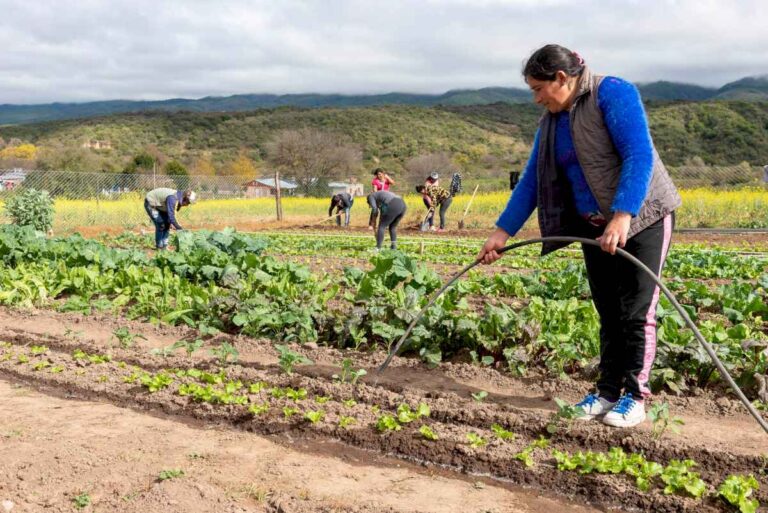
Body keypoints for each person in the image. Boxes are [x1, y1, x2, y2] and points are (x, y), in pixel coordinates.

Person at [477, 44, 680, 429]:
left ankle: (636, 397)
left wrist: (622, 216)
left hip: (644, 217)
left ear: (561, 78)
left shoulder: (613, 92)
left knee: (637, 311)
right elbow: (531, 183)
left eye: (539, 89)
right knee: (608, 311)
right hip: (595, 227)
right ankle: (606, 393)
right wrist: (501, 233)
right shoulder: (551, 122)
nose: (537, 98)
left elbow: (639, 155)